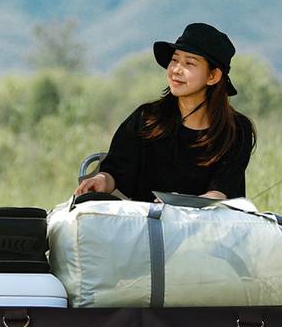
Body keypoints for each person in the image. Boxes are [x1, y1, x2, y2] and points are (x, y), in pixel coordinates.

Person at [74, 22, 256, 202]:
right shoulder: (147, 119)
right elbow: (117, 170)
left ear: (213, 76)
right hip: (148, 220)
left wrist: (179, 205)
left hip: (207, 220)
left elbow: (219, 193)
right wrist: (102, 180)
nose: (176, 70)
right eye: (174, 60)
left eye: (189, 63)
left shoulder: (237, 129)